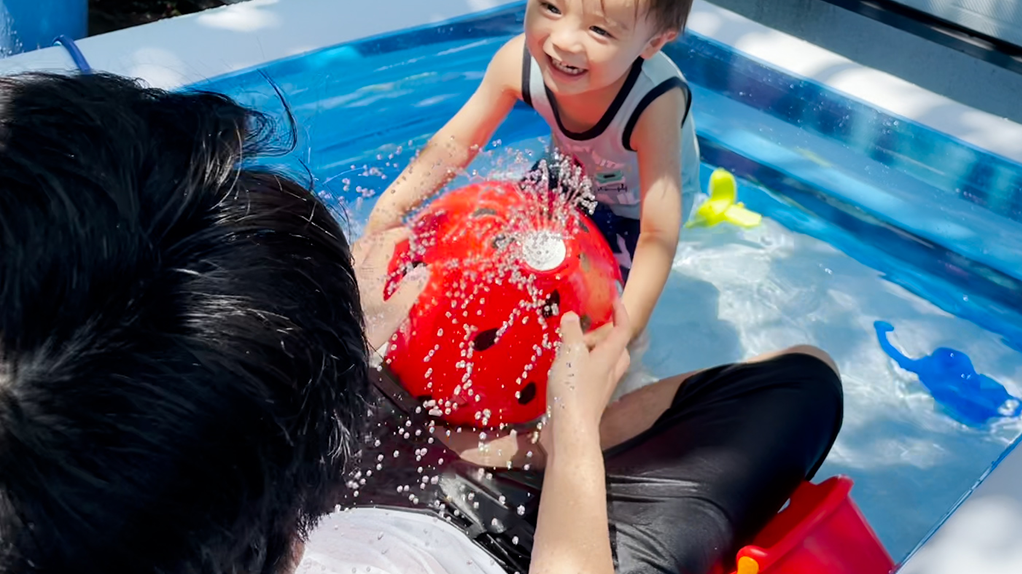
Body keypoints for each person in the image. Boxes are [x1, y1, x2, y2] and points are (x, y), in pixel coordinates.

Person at [0, 71, 843, 574]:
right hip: (517, 543)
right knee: (803, 381)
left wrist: (327, 354)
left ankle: (513, 440)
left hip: (354, 499)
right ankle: (535, 443)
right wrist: (575, 430)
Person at [359, 0, 702, 350]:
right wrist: (394, 205)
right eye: (550, 6)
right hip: (568, 173)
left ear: (652, 43)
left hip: (635, 211)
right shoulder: (517, 63)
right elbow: (455, 144)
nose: (563, 39)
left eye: (600, 30)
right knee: (503, 254)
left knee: (601, 316)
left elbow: (659, 231)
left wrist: (626, 333)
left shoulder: (653, 104)